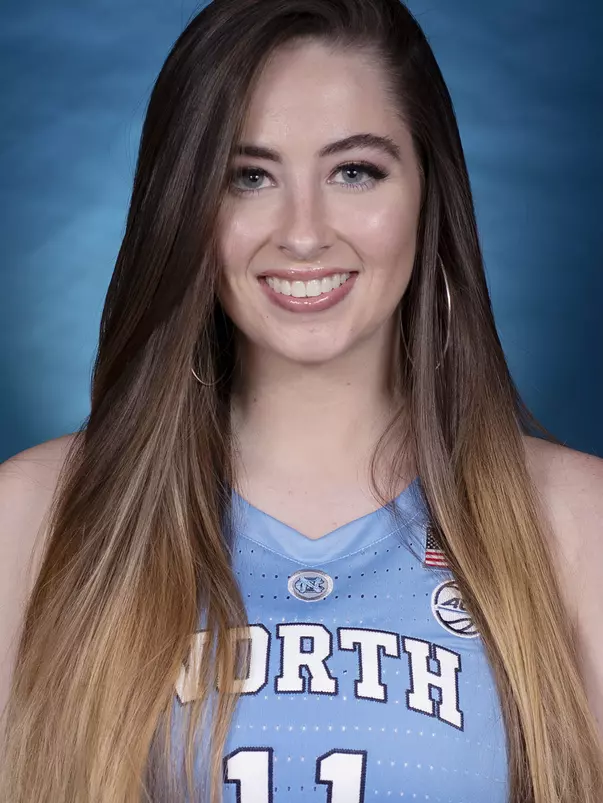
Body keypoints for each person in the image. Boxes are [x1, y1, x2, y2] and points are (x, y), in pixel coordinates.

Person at [0, 0, 602, 800]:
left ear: (428, 191)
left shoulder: (572, 522)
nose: (304, 231)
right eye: (249, 177)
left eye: (354, 171)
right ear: (186, 207)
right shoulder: (34, 518)